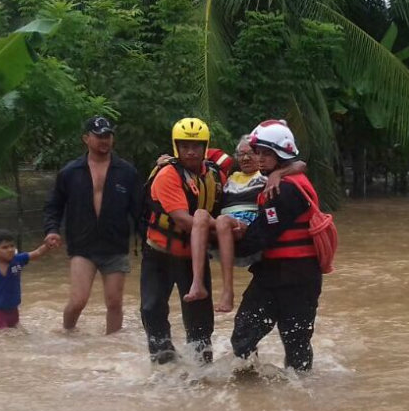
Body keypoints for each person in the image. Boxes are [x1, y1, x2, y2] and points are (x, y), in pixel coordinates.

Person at [230, 120, 324, 372]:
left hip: (291, 280)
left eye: (266, 153)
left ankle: (281, 397)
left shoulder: (283, 190)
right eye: (258, 152)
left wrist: (222, 247)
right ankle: (259, 389)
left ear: (280, 154)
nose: (259, 158)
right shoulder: (289, 180)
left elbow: (261, 237)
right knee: (249, 338)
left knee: (290, 346)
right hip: (285, 277)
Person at [185, 134, 306, 312]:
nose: (246, 158)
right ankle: (197, 284)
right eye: (241, 154)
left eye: (251, 153)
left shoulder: (267, 175)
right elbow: (192, 155)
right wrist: (168, 159)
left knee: (223, 221)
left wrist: (279, 173)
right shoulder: (227, 176)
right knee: (200, 215)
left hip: (246, 226)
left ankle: (228, 292)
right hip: (223, 223)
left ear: (260, 155)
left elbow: (300, 164)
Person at [43, 116, 141, 334]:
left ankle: (111, 346)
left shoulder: (127, 172)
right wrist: (51, 230)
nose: (104, 140)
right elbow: (54, 205)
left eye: (108, 136)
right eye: (99, 136)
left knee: (115, 303)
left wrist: (148, 240)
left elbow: (139, 211)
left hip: (115, 245)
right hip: (82, 247)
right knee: (78, 300)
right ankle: (66, 334)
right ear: (86, 138)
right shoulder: (70, 172)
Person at [139, 117, 224, 364]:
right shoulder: (167, 175)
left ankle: (202, 365)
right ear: (177, 146)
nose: (190, 151)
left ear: (205, 147)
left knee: (200, 317)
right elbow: (185, 221)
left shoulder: (216, 174)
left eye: (197, 146)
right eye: (185, 145)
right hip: (160, 254)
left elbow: (247, 163)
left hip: (193, 257)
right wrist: (225, 230)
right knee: (152, 308)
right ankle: (163, 361)